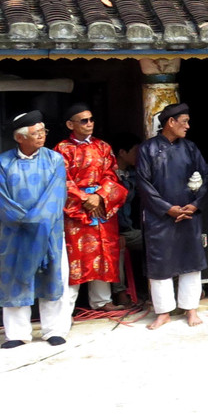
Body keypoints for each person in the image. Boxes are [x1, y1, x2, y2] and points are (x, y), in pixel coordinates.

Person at [0, 111, 71, 348]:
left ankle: (55, 330)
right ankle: (17, 334)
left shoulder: (54, 160)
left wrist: (37, 224)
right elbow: (0, 200)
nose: (42, 136)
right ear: (20, 137)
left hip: (49, 233)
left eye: (43, 132)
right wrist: (25, 223)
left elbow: (55, 197)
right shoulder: (1, 163)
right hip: (16, 235)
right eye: (36, 133)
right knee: (16, 280)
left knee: (53, 278)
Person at [136, 103, 208, 330]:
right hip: (160, 216)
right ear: (171, 122)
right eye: (184, 121)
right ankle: (163, 312)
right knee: (160, 263)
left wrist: (194, 205)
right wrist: (167, 209)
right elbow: (143, 184)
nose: (187, 126)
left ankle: (191, 308)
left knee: (191, 261)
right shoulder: (147, 149)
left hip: (188, 215)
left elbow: (205, 176)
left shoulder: (190, 148)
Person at [54, 103, 127, 314]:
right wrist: (85, 198)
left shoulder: (103, 147)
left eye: (91, 119)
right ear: (70, 124)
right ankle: (65, 310)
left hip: (101, 207)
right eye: (84, 120)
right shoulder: (61, 150)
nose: (89, 124)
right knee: (76, 257)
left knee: (103, 253)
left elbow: (111, 175)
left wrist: (100, 196)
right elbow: (62, 180)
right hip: (77, 211)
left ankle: (102, 301)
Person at [109, 133, 143, 306]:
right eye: (136, 151)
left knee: (157, 240)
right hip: (112, 231)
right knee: (117, 248)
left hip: (129, 230)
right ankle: (120, 293)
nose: (139, 155)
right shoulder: (108, 175)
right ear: (122, 152)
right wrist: (116, 233)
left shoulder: (132, 174)